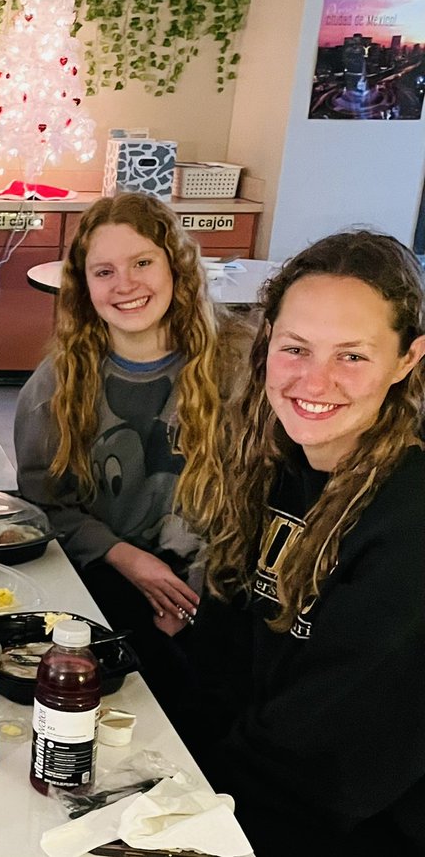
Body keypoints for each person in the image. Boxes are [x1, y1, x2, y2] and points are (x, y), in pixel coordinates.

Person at [182, 231, 425, 854]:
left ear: (407, 360)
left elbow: (334, 748)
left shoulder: (408, 514)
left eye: (353, 356)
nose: (314, 381)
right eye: (296, 348)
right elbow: (225, 643)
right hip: (246, 786)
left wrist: (186, 806)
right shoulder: (279, 462)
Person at [14, 192, 244, 705]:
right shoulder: (57, 384)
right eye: (104, 271)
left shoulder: (238, 369)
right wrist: (129, 561)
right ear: (84, 286)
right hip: (109, 573)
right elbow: (45, 504)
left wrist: (192, 594)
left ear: (177, 266)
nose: (126, 285)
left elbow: (256, 501)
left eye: (142, 262)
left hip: (219, 580)